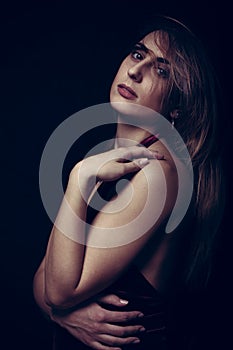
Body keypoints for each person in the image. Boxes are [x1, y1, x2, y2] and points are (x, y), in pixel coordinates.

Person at [33, 15, 225, 349]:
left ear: (177, 107)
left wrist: (79, 176)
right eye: (138, 54)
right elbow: (43, 280)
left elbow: (58, 291)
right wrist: (60, 315)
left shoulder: (159, 172)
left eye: (161, 70)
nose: (136, 71)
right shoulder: (111, 162)